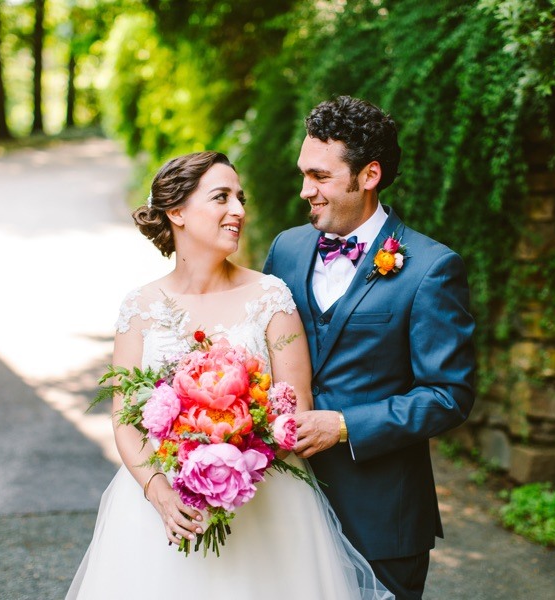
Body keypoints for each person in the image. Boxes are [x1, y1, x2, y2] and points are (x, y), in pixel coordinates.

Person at [66, 151, 391, 599]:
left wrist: (235, 452)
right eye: (221, 197)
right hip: (162, 505)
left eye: (240, 198)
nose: (238, 210)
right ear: (177, 211)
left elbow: (294, 406)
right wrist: (158, 490)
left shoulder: (270, 297)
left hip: (266, 502)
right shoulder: (138, 308)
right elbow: (125, 419)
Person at [263, 96, 477, 600]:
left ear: (369, 174)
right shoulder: (286, 249)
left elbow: (449, 395)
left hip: (382, 516)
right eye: (303, 174)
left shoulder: (431, 267)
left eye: (319, 176)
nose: (304, 191)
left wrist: (343, 426)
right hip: (283, 504)